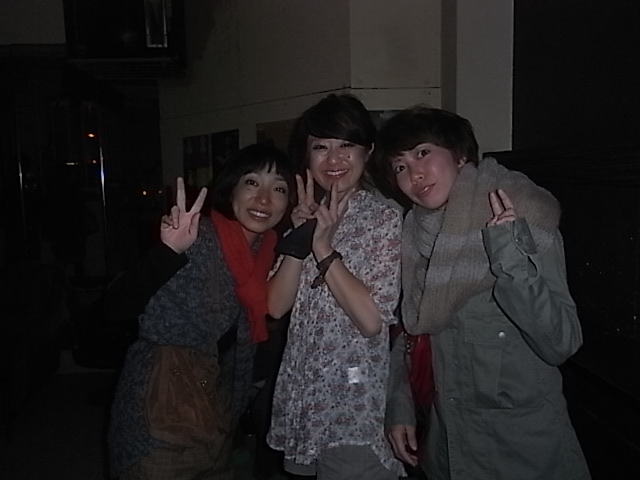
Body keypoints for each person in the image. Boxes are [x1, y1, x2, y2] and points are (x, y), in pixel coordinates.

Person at [376, 106, 591, 480]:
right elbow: (409, 336)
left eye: (423, 152)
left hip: (522, 455)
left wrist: (508, 253)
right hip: (447, 450)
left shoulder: (522, 215)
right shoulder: (414, 237)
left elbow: (561, 342)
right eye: (399, 166)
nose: (413, 173)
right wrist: (400, 407)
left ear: (460, 156)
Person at [106, 143, 295, 480]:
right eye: (252, 183)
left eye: (278, 188)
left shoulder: (266, 254)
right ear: (231, 189)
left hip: (217, 418)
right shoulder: (199, 236)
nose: (264, 199)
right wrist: (168, 252)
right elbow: (115, 305)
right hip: (161, 413)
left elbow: (260, 322)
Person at [266, 94, 404, 479]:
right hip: (304, 400)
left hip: (351, 407)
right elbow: (275, 306)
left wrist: (324, 248)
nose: (333, 159)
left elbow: (371, 321)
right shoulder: (307, 215)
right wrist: (301, 237)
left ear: (368, 151)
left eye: (346, 145)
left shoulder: (384, 219)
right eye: (320, 147)